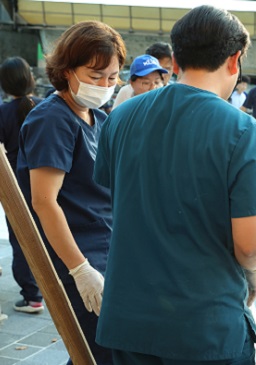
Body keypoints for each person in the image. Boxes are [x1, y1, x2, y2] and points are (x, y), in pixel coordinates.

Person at [94, 5, 256, 364]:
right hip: (204, 328)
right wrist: (255, 272)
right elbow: (250, 248)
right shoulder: (245, 133)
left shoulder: (120, 118)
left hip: (129, 323)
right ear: (235, 61)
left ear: (174, 60)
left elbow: (119, 200)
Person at [16, 20, 126, 365]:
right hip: (76, 254)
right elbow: (44, 201)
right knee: (101, 350)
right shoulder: (52, 119)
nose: (105, 86)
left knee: (102, 350)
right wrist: (80, 270)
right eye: (95, 77)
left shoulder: (98, 118)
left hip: (108, 250)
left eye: (112, 78)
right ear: (66, 70)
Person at [0, 56, 44, 314]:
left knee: (21, 241)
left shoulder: (3, 112)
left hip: (16, 186)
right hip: (47, 182)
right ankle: (56, 288)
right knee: (46, 236)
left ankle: (32, 296)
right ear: (30, 78)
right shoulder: (46, 106)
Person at [112, 42, 173, 109]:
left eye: (167, 69)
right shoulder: (127, 92)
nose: (163, 75)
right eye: (146, 83)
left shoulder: (174, 94)